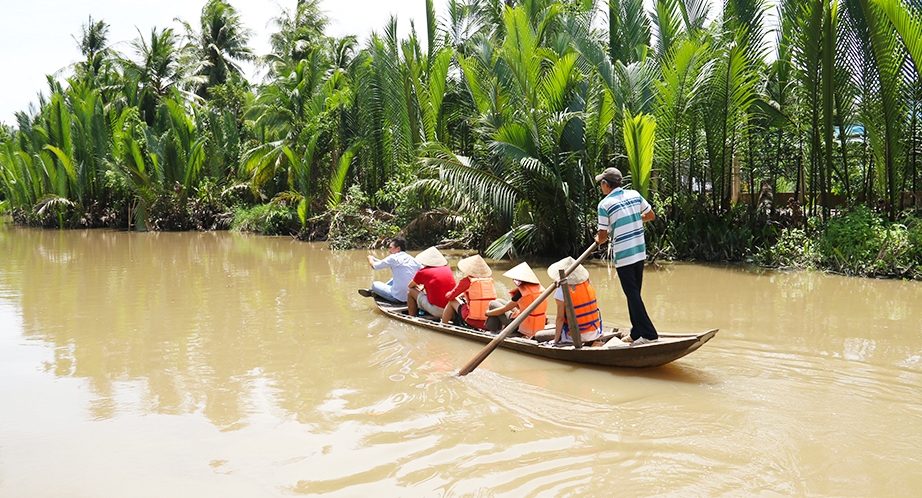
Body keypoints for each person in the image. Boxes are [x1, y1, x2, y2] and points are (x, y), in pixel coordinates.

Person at [594, 166, 658, 346]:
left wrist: (598, 239)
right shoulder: (634, 195)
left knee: (632, 295)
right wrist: (635, 219)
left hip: (624, 256)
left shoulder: (604, 205)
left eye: (602, 184)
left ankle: (649, 334)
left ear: (606, 185)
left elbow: (603, 237)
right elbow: (651, 215)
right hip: (639, 251)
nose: (601, 187)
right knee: (634, 294)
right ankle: (636, 332)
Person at [484, 262, 551, 340]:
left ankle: (494, 331)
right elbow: (515, 305)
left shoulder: (521, 293)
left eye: (516, 281)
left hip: (519, 325)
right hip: (536, 323)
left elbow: (503, 310)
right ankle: (496, 329)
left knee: (493, 304)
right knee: (499, 300)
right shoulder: (540, 288)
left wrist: (488, 313)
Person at [547, 257, 603, 345]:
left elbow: (560, 318)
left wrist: (555, 341)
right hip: (595, 331)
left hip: (575, 336)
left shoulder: (562, 289)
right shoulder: (588, 283)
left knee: (539, 335)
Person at [442, 255, 496, 330]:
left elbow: (450, 296)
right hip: (488, 320)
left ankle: (443, 325)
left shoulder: (467, 281)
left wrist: (447, 293)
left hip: (472, 320)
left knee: (452, 301)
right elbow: (481, 297)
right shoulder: (489, 281)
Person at [360, 237, 421, 303]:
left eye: (390, 248)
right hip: (412, 296)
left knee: (374, 284)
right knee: (394, 279)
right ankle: (376, 291)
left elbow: (374, 266)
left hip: (399, 298)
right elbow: (423, 272)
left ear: (398, 249)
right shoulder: (413, 259)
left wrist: (369, 258)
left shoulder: (393, 258)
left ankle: (374, 292)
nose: (389, 251)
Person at [407, 246, 456, 319]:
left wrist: (418, 288)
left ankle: (411, 318)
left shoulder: (423, 272)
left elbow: (410, 285)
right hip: (451, 308)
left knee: (410, 292)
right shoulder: (447, 269)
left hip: (438, 310)